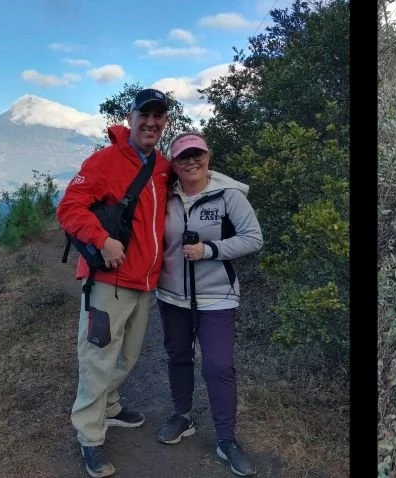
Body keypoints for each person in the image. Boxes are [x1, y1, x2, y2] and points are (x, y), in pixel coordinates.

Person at [56, 88, 171, 478]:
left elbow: (196, 179)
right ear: (130, 116)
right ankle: (90, 437)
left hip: (143, 282)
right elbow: (69, 207)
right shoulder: (104, 161)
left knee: (128, 355)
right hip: (108, 280)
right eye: (145, 115)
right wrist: (102, 240)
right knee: (97, 358)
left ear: (165, 122)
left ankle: (109, 406)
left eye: (158, 116)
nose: (151, 123)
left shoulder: (161, 166)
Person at [155, 131, 263, 477]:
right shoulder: (164, 196)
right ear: (173, 163)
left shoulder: (229, 196)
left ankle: (226, 440)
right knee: (178, 356)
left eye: (197, 154)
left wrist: (210, 251)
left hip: (217, 296)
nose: (191, 162)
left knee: (218, 366)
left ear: (208, 156)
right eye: (183, 157)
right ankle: (182, 416)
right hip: (171, 295)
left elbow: (253, 238)